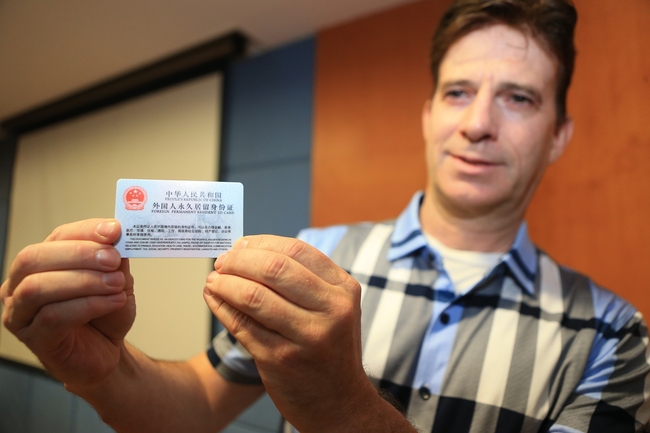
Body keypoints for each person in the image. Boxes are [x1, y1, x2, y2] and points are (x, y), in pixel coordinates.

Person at [2, 0, 649, 432]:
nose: (478, 123)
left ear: (559, 135)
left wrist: (342, 405)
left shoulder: (615, 337)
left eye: (519, 97)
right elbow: (194, 406)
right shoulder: (313, 258)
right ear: (428, 115)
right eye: (458, 92)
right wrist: (104, 370)